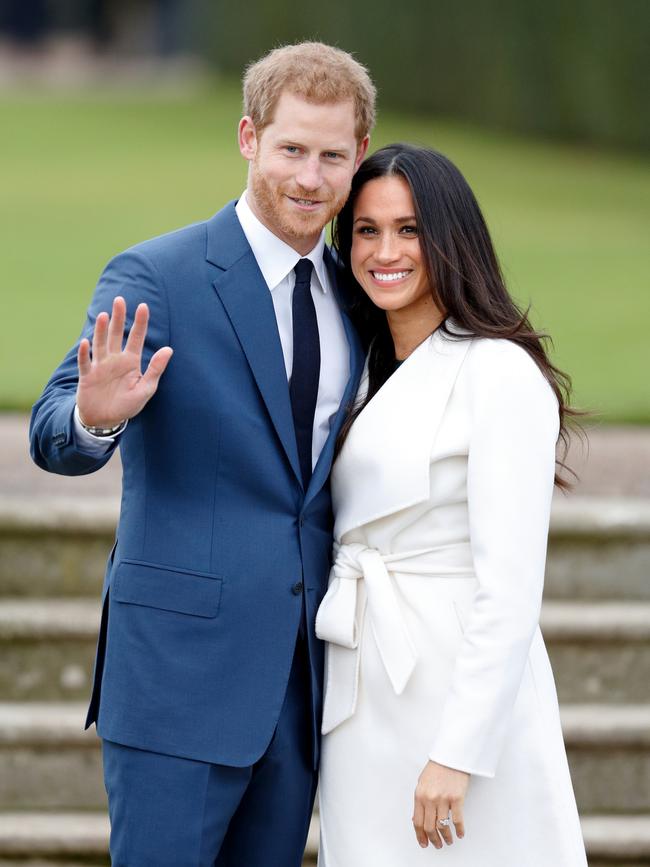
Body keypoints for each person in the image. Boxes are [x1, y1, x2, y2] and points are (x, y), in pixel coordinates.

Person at [29, 41, 374, 866]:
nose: (311, 177)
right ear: (249, 138)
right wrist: (93, 414)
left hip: (301, 693)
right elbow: (51, 433)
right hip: (177, 687)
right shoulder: (158, 274)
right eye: (292, 148)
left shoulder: (359, 295)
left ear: (359, 156)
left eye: (332, 156)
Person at [315, 143, 588, 866]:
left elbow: (509, 590)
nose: (385, 251)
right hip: (362, 691)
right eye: (366, 231)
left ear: (450, 238)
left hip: (458, 696)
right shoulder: (361, 372)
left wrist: (457, 752)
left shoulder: (496, 371)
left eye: (409, 229)